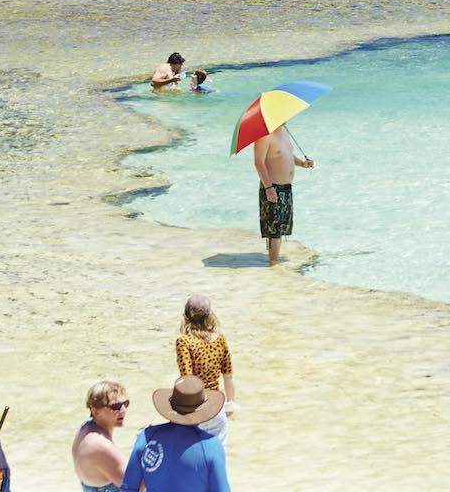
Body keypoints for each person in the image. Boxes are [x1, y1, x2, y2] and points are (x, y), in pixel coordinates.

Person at [117, 376, 230, 492]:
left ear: (171, 405)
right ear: (203, 409)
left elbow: (128, 488)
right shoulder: (211, 446)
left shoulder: (147, 436)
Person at [251, 118, 315, 267]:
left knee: (282, 227)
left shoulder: (284, 131)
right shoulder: (264, 135)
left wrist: (302, 164)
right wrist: (268, 188)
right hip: (272, 187)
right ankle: (273, 266)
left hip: (286, 188)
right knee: (274, 231)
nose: (288, 117)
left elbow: (286, 155)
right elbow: (258, 162)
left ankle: (275, 263)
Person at [173, 296, 236, 443]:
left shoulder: (184, 342)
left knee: (194, 460)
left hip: (196, 408)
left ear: (186, 316)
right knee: (218, 459)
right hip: (217, 407)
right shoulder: (220, 339)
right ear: (210, 315)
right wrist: (230, 404)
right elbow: (228, 377)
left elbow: (188, 381)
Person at [73, 380, 131, 492]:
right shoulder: (101, 446)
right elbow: (133, 488)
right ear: (95, 410)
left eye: (125, 404)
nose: (123, 410)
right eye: (116, 406)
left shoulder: (85, 428)